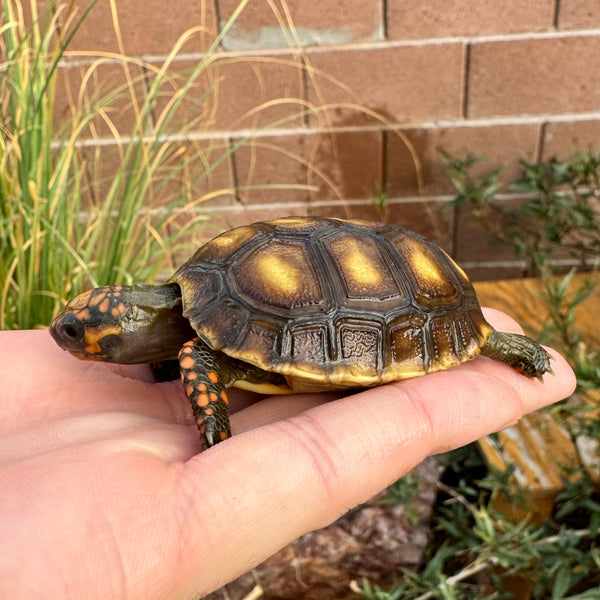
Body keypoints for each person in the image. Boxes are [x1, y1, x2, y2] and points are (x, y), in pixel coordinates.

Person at [0, 309, 576, 599]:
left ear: (125, 330)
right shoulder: (180, 334)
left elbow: (194, 356)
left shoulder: (195, 348)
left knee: (199, 360)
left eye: (79, 334)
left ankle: (483, 334)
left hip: (385, 304)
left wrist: (214, 440)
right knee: (196, 356)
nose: (67, 340)